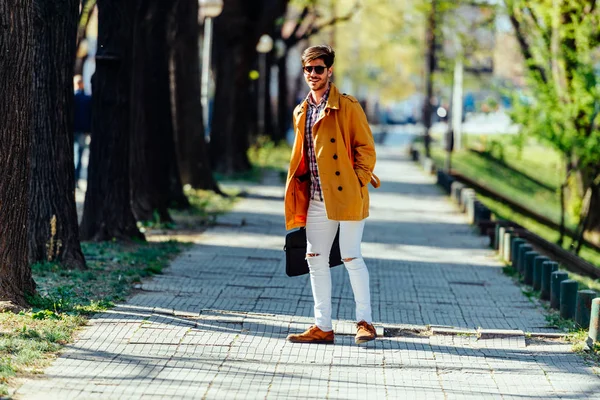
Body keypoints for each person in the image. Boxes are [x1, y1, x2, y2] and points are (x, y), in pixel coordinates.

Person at [284, 45, 380, 345]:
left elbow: (366, 148)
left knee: (351, 256)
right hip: (315, 196)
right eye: (308, 69)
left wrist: (357, 181)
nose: (313, 74)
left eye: (319, 69)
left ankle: (365, 322)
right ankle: (322, 326)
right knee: (315, 257)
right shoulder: (301, 111)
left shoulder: (348, 106)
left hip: (346, 195)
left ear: (329, 71)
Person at [73, 75, 92, 188]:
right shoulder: (86, 99)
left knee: (75, 154)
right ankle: (76, 178)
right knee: (79, 154)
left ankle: (73, 178)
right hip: (82, 130)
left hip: (72, 129)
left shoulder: (72, 98)